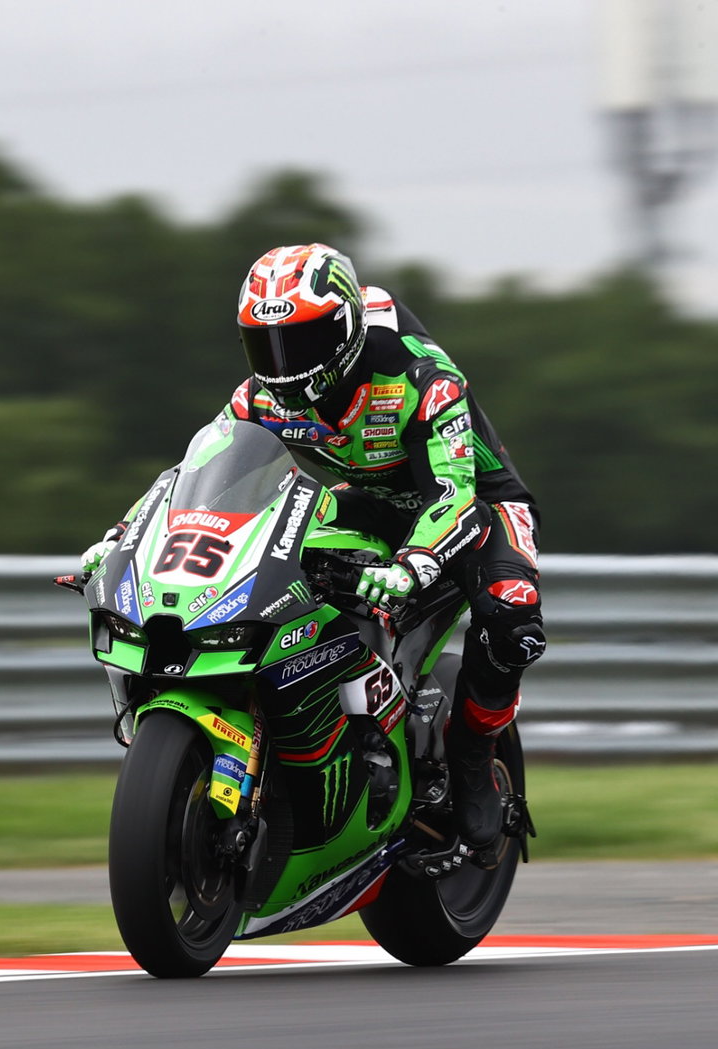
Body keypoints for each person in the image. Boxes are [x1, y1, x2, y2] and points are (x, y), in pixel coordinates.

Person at [82, 243, 544, 850]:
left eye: (298, 344)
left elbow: (453, 494)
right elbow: (201, 475)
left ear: (345, 329)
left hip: (472, 503)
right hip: (366, 498)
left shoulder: (421, 379)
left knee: (513, 611)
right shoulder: (260, 396)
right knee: (297, 577)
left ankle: (475, 762)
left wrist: (414, 564)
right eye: (263, 345)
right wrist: (123, 538)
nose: (281, 365)